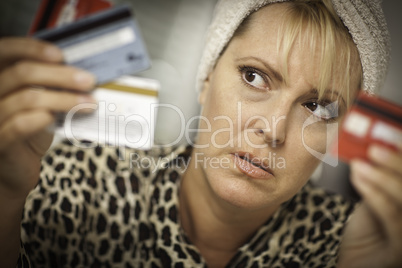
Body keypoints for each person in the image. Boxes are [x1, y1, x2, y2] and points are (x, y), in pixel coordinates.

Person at [0, 0, 401, 267]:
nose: (272, 129)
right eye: (254, 76)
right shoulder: (75, 177)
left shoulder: (359, 246)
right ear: (207, 79)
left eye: (318, 107)